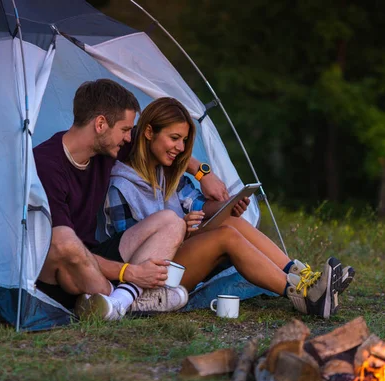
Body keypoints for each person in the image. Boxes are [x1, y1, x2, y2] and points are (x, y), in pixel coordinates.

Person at [104, 97, 355, 319]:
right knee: (226, 236)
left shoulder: (169, 173)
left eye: (184, 141)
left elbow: (200, 206)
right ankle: (304, 297)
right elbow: (130, 246)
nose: (180, 148)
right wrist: (182, 231)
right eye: (174, 138)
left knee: (230, 223)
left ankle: (303, 277)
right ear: (148, 132)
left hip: (179, 256)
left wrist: (227, 206)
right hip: (150, 278)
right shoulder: (120, 186)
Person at [33, 80, 229, 321]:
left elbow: (160, 143)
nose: (129, 138)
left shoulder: (105, 148)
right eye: (126, 130)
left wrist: (202, 173)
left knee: (172, 220)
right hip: (64, 267)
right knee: (67, 243)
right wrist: (131, 272)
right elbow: (62, 247)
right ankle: (119, 297)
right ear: (101, 124)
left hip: (97, 256)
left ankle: (118, 302)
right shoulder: (47, 164)